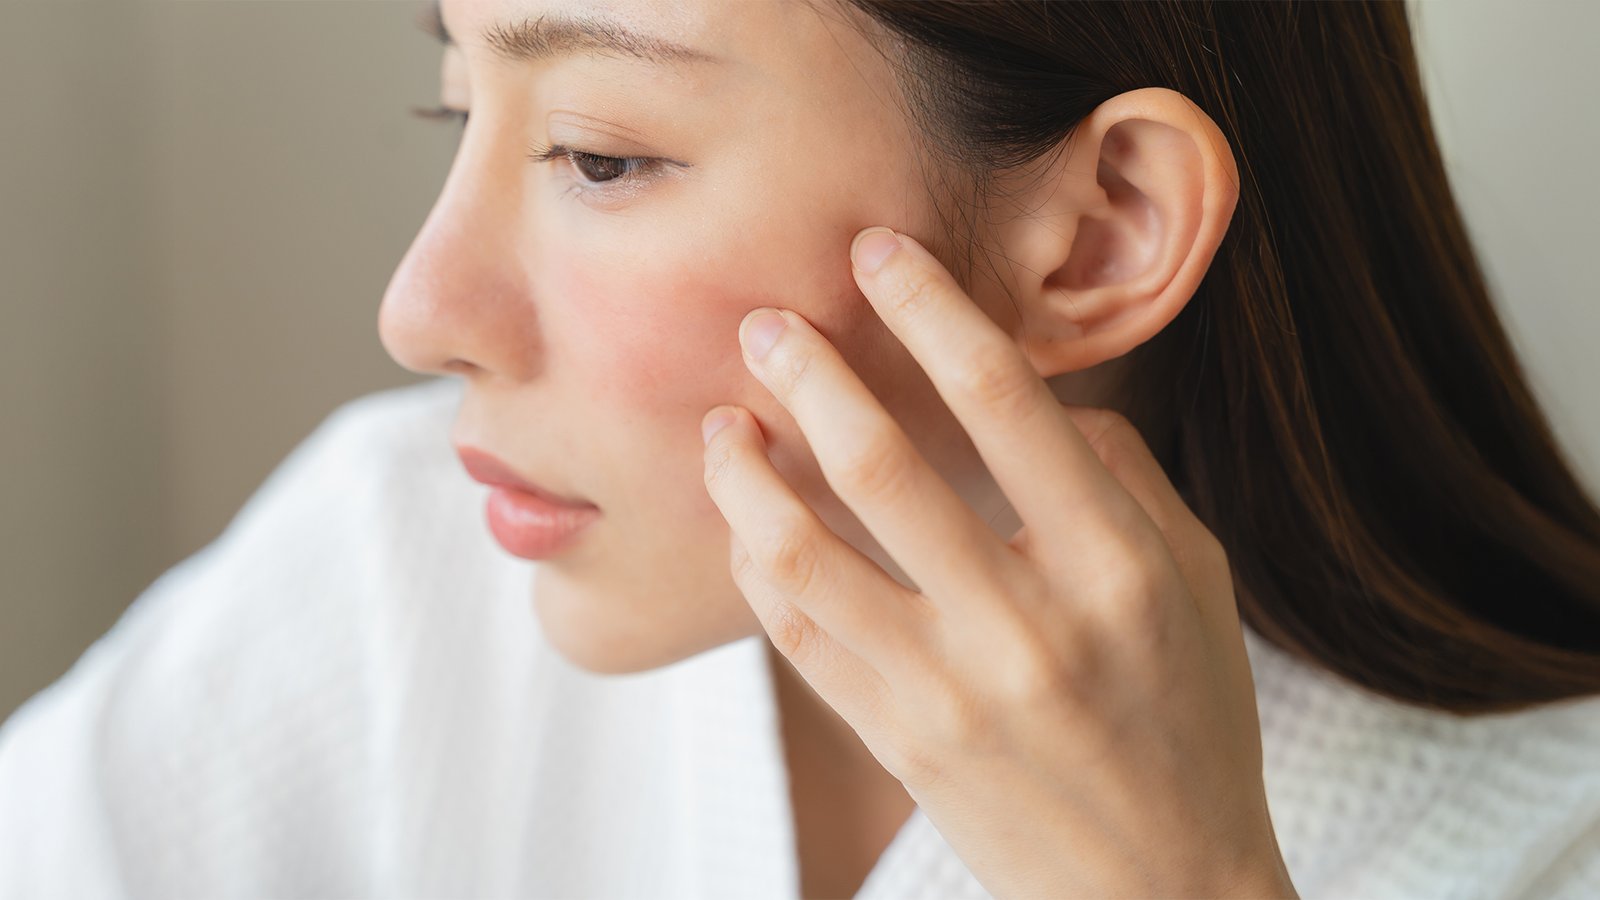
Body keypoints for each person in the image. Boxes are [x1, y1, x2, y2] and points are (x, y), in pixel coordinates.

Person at [3, 0, 1599, 897]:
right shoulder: (398, 558)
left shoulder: (1550, 834)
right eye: (454, 112)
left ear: (1102, 232)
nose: (422, 312)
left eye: (599, 156)